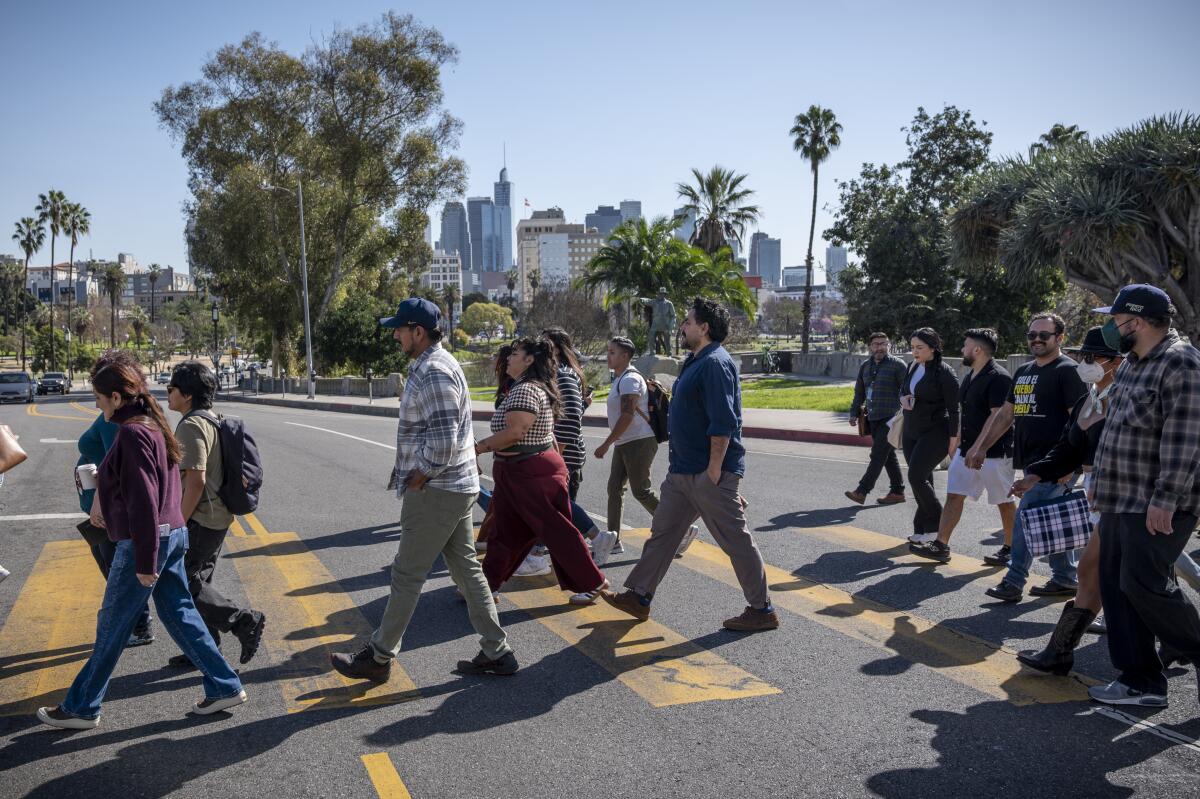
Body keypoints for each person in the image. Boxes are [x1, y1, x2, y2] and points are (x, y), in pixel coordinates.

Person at [37, 356, 245, 729]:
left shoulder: (132, 433)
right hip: (173, 532)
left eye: (99, 398)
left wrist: (146, 561)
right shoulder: (151, 424)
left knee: (112, 625)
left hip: (145, 540)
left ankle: (82, 707)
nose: (96, 405)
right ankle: (224, 684)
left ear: (117, 397)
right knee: (179, 612)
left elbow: (145, 501)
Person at [332, 298, 517, 680]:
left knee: (407, 574)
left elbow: (445, 438)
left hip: (440, 488)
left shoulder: (433, 371)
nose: (396, 335)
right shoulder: (434, 365)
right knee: (466, 569)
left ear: (419, 331)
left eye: (400, 329)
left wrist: (423, 474)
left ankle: (379, 657)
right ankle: (498, 652)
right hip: (455, 485)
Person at [603, 298, 778, 632]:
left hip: (706, 472)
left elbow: (724, 421)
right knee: (662, 535)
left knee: (735, 541)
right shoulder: (694, 361)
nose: (681, 326)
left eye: (687, 321)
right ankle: (638, 596)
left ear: (704, 328)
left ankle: (762, 609)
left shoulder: (715, 363)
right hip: (682, 473)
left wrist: (716, 472)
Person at [1086, 285, 1200, 707]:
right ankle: (1140, 681)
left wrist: (1166, 497)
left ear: (1135, 321)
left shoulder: (1180, 362)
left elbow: (1185, 438)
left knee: (1145, 585)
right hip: (1121, 496)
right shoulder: (1133, 363)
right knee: (1117, 586)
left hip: (1156, 501)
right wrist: (1098, 476)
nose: (1111, 328)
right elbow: (1113, 427)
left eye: (1115, 320)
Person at [1010, 327, 1122, 673]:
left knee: (1144, 581)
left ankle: (1183, 644)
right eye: (1083, 355)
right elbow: (1069, 446)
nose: (1085, 362)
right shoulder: (1091, 396)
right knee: (1093, 571)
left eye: (1094, 357)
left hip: (1128, 495)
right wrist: (1035, 473)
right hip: (1099, 492)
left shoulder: (1127, 396)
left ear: (1118, 361)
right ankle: (1059, 653)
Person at [477, 337, 609, 602]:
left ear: (529, 360)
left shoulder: (526, 389)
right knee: (505, 532)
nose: (509, 357)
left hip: (529, 472)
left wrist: (477, 448)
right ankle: (486, 587)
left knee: (555, 531)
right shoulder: (527, 387)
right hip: (520, 471)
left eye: (515, 353)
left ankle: (594, 582)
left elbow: (516, 431)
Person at [972, 312, 1087, 603]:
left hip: (1055, 463)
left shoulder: (1068, 371)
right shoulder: (1024, 371)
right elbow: (1006, 415)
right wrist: (982, 446)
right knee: (1053, 519)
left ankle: (1013, 581)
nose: (1036, 340)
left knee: (1026, 519)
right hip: (1031, 462)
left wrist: (1070, 465)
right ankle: (1064, 578)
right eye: (1032, 335)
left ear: (1059, 338)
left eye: (1044, 335)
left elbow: (1081, 422)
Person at [165, 361, 266, 668]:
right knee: (197, 580)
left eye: (171, 388)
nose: (167, 392)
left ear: (187, 395)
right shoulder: (211, 419)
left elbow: (195, 481)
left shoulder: (191, 425)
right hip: (217, 516)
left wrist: (178, 523)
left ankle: (243, 621)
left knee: (183, 583)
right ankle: (204, 647)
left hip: (201, 517)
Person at [910, 329, 1015, 563]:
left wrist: (980, 448)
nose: (961, 349)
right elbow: (964, 413)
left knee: (1004, 502)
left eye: (965, 345)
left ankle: (1011, 548)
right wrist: (956, 444)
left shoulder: (999, 377)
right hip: (966, 450)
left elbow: (997, 417)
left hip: (994, 454)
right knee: (954, 495)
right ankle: (941, 544)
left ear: (977, 349)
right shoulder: (970, 375)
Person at [74, 357, 155, 646]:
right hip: (104, 507)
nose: (96, 401)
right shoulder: (115, 414)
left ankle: (136, 626)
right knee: (112, 565)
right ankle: (134, 623)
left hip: (108, 510)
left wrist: (99, 499)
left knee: (118, 569)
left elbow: (113, 467)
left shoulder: (117, 420)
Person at [594, 336, 668, 554]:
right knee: (614, 489)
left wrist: (606, 444)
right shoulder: (619, 379)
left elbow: (627, 415)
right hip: (626, 441)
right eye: (608, 351)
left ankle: (677, 527)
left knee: (641, 490)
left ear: (625, 356)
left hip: (639, 441)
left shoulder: (630, 379)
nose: (608, 356)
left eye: (612, 352)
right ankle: (613, 540)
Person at [898, 328, 960, 545]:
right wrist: (903, 399)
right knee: (923, 480)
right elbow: (904, 389)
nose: (914, 352)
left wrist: (953, 441)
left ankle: (937, 523)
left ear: (933, 348)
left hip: (936, 432)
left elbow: (955, 410)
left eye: (920, 348)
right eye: (912, 347)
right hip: (911, 431)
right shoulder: (913, 366)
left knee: (916, 477)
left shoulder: (945, 372)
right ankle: (924, 529)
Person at [845, 333, 908, 506]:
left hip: (892, 418)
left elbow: (907, 391)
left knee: (878, 454)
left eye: (882, 344)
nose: (879, 347)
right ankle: (897, 491)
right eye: (875, 344)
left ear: (888, 345)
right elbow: (860, 392)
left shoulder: (898, 365)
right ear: (870, 347)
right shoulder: (865, 366)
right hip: (873, 417)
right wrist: (853, 413)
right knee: (887, 456)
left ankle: (862, 491)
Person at [542, 327, 590, 500]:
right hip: (559, 460)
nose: (540, 348)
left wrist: (556, 456)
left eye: (544, 343)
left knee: (563, 519)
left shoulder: (563, 374)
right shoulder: (554, 373)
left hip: (565, 461)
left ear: (556, 349)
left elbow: (570, 419)